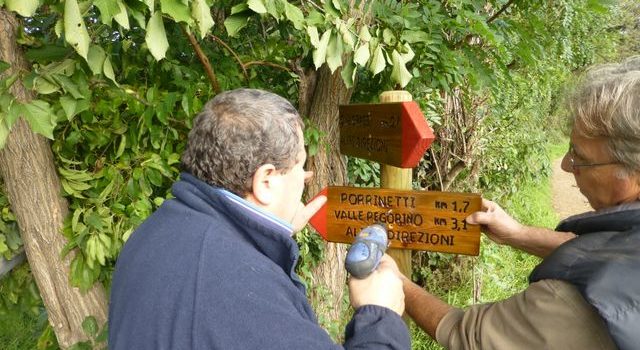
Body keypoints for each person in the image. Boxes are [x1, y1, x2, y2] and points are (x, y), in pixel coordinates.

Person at [108, 88, 411, 349]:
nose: (305, 178)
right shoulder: (238, 288)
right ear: (266, 180)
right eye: (299, 166)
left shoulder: (157, 231)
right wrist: (379, 316)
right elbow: (230, 300)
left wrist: (268, 235)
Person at [402, 56, 640, 349]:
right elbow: (611, 253)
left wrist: (395, 282)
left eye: (582, 158)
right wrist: (516, 233)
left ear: (634, 174)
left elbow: (468, 336)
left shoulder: (575, 305)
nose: (566, 165)